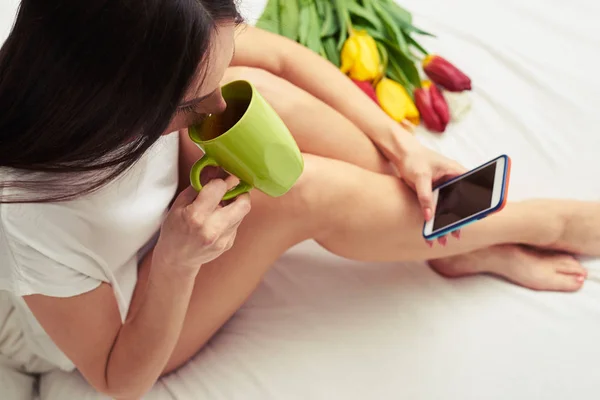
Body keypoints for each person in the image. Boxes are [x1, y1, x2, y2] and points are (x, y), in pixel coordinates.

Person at [0, 1, 596, 398]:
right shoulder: (36, 211)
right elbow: (115, 378)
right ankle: (538, 222)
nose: (207, 108)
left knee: (251, 91)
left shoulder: (156, 29)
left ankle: (444, 240)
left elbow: (281, 57)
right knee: (294, 194)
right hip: (133, 323)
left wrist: (401, 145)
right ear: (113, 101)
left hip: (157, 218)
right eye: (187, 104)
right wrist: (178, 261)